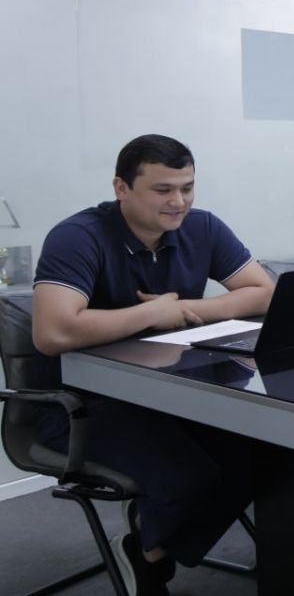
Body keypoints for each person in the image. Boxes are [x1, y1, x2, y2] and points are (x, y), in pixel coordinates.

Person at [31, 134, 275, 594]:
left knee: (261, 452)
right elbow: (53, 332)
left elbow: (264, 292)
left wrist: (186, 309)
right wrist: (150, 314)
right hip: (80, 406)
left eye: (187, 188)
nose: (178, 202)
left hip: (169, 394)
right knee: (188, 478)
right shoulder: (78, 236)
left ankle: (146, 548)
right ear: (121, 188)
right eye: (163, 189)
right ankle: (152, 557)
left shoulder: (203, 227)